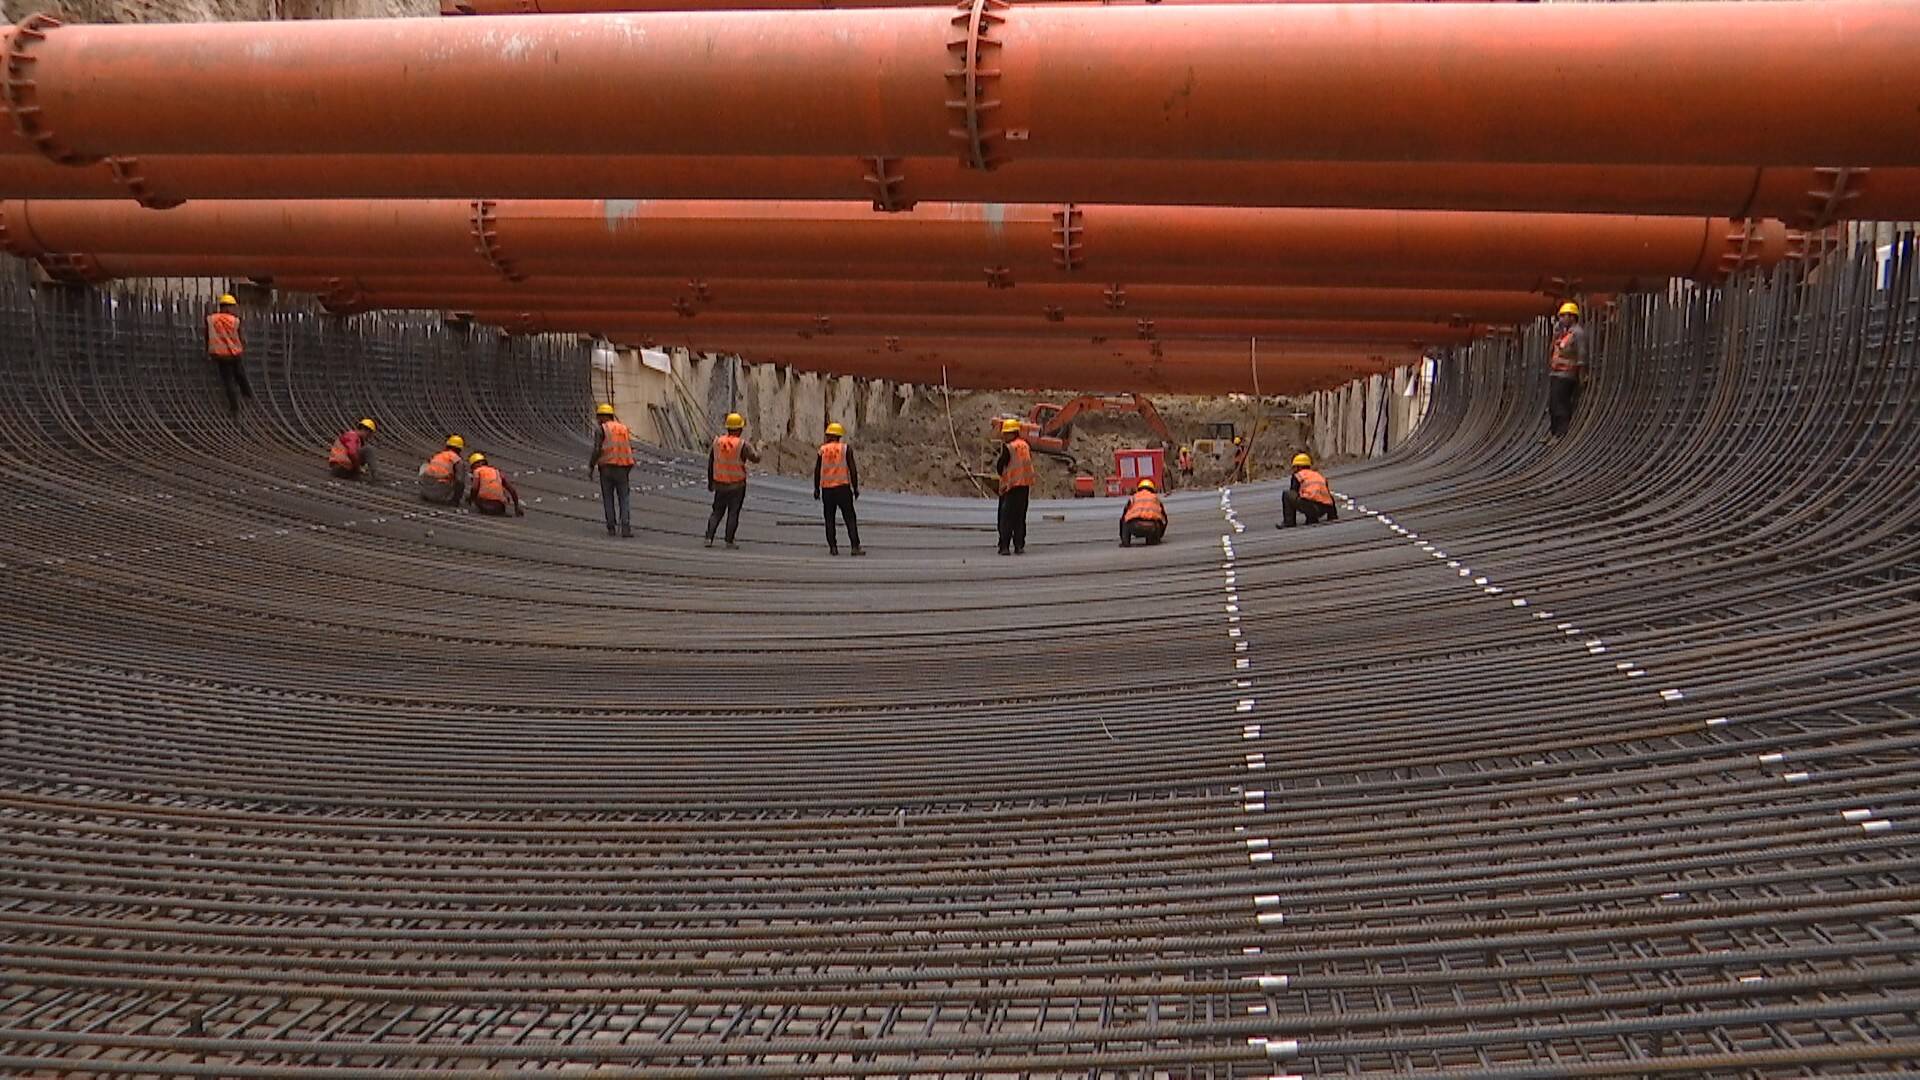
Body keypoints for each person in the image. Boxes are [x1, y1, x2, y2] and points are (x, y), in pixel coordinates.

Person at [706, 412, 761, 549]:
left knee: (717, 511)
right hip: (737, 486)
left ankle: (709, 537)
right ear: (739, 429)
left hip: (720, 484)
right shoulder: (742, 445)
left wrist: (710, 482)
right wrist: (759, 447)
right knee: (733, 512)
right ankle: (729, 540)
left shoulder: (717, 442)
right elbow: (756, 458)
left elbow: (711, 462)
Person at [814, 422, 865, 557]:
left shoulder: (822, 450)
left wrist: (816, 488)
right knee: (850, 517)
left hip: (827, 489)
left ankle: (833, 547)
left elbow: (817, 470)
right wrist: (855, 488)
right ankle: (855, 546)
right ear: (839, 436)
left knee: (829, 519)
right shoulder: (845, 449)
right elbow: (852, 470)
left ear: (829, 436)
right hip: (843, 488)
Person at [589, 403, 635, 538]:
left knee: (608, 498)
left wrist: (591, 466)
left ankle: (611, 527)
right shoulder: (623, 428)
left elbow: (597, 449)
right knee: (624, 498)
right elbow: (628, 448)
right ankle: (625, 527)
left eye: (599, 417)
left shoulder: (601, 429)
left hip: (607, 468)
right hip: (623, 468)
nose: (598, 420)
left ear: (603, 416)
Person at [1546, 301, 1586, 443]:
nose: (1561, 319)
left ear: (1572, 316)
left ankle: (1561, 434)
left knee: (1561, 405)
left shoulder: (1578, 333)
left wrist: (1581, 376)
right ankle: (1553, 431)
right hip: (1556, 374)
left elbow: (1581, 355)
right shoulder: (1563, 333)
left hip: (1567, 376)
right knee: (1552, 404)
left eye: (1564, 316)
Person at [207, 293, 253, 416]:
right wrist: (244, 345)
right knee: (240, 375)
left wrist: (208, 350)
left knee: (228, 381)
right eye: (232, 307)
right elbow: (242, 337)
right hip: (234, 353)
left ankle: (234, 407)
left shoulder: (211, 319)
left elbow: (207, 336)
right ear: (228, 307)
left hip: (220, 355)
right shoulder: (235, 321)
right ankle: (248, 395)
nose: (233, 310)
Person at [994, 417, 1034, 556]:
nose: (1004, 436)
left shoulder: (1009, 447)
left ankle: (1004, 547)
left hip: (1011, 487)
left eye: (1005, 433)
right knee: (1020, 517)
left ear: (1012, 433)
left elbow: (1000, 466)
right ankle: (1019, 545)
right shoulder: (1025, 445)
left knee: (1006, 518)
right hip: (1024, 487)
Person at [1279, 452, 1337, 528]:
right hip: (1324, 508)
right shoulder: (1318, 475)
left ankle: (1289, 522)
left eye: (1295, 467)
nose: (1294, 470)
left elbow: (1295, 493)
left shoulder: (1298, 476)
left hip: (1311, 507)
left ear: (1299, 467)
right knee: (1324, 495)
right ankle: (1332, 516)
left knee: (1287, 495)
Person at [466, 452, 525, 517]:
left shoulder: (477, 471)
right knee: (502, 491)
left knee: (476, 493)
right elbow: (512, 490)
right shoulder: (497, 471)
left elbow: (475, 488)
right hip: (500, 507)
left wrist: (470, 499)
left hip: (484, 505)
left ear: (475, 464)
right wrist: (516, 507)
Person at [418, 435, 467, 506]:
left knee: (425, 467)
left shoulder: (437, 455)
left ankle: (425, 493)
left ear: (447, 446)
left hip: (425, 491)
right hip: (439, 494)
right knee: (457, 477)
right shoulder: (457, 460)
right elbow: (460, 481)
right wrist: (456, 500)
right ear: (459, 450)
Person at [1120, 478, 1167, 547]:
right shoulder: (1156, 498)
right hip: (1152, 527)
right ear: (1152, 489)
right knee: (1159, 520)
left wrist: (1122, 536)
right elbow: (1165, 520)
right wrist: (1159, 535)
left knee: (1125, 520)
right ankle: (1154, 540)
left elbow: (1123, 516)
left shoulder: (1133, 497)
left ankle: (1125, 542)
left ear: (1139, 488)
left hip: (1135, 526)